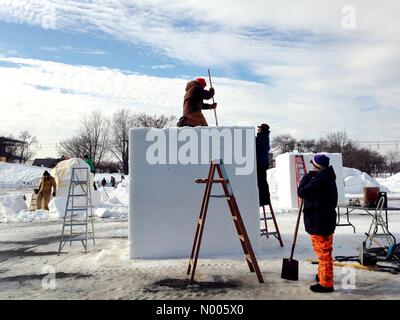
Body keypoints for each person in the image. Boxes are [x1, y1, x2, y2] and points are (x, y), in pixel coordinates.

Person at [298, 154, 338, 293]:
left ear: (317, 166)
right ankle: (323, 276)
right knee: (324, 253)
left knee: (323, 254)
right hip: (323, 221)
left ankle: (326, 284)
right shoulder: (325, 177)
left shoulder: (320, 179)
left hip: (320, 222)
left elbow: (302, 192)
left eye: (312, 164)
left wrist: (306, 178)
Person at [256, 123, 271, 206]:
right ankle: (264, 199)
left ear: (261, 129)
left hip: (260, 163)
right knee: (262, 181)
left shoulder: (262, 137)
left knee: (261, 181)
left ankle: (264, 200)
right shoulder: (264, 136)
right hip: (262, 162)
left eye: (259, 129)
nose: (257, 130)